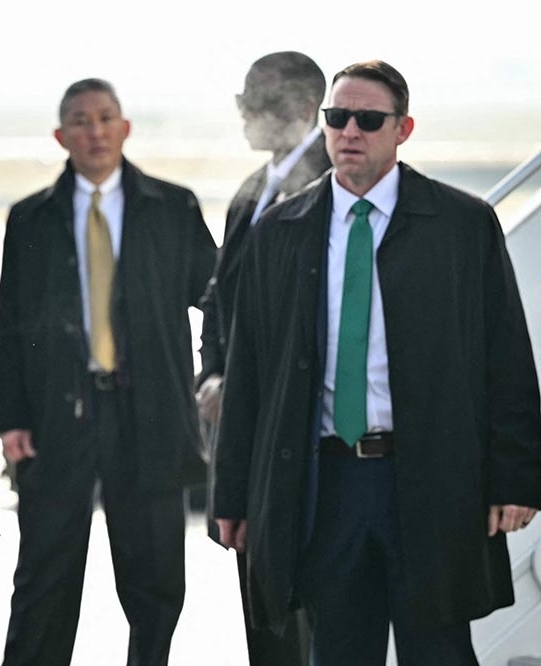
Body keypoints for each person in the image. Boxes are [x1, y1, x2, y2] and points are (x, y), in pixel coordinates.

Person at [211, 60, 541, 665]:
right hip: (328, 484)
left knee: (438, 653)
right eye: (337, 117)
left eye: (368, 119)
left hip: (431, 482)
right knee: (336, 653)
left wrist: (517, 479)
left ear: (402, 129)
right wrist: (232, 495)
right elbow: (250, 374)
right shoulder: (281, 231)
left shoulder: (462, 225)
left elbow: (506, 358)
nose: (350, 132)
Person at [0, 78, 217, 665]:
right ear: (61, 136)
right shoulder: (31, 218)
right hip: (59, 419)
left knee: (156, 586)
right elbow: (10, 326)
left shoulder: (173, 207)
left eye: (105, 118)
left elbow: (218, 301)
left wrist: (212, 377)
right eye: (81, 121)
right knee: (44, 582)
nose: (94, 131)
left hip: (151, 418)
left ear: (125, 128)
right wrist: (11, 419)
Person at [196, 50, 328, 666]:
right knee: (262, 610)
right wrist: (214, 374)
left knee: (308, 616)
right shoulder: (251, 192)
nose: (245, 113)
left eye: (257, 100)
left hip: (303, 440)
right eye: (242, 99)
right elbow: (219, 299)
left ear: (303, 107)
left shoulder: (335, 185)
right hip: (244, 434)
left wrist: (248, 384)